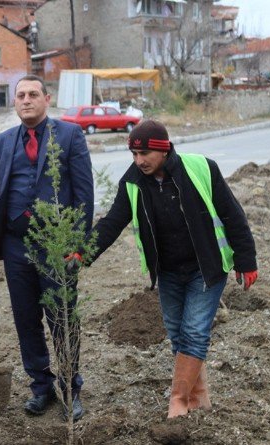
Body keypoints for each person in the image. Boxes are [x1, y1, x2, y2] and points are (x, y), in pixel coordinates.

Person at [76, 119, 257, 418]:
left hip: (206, 267)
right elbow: (113, 221)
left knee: (195, 332)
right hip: (168, 271)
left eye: (145, 153)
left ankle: (178, 401)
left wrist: (246, 261)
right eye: (134, 155)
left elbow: (233, 215)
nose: (139, 161)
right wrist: (84, 252)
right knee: (177, 334)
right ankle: (199, 397)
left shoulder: (201, 168)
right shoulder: (133, 181)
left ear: (163, 150)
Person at [0, 75, 94, 419]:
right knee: (26, 318)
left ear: (46, 98)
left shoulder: (69, 135)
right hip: (15, 245)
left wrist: (78, 246)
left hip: (56, 245)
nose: (26, 100)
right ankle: (41, 387)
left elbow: (84, 194)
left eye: (33, 94)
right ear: (14, 102)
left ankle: (71, 388)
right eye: (20, 95)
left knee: (62, 317)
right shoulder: (4, 141)